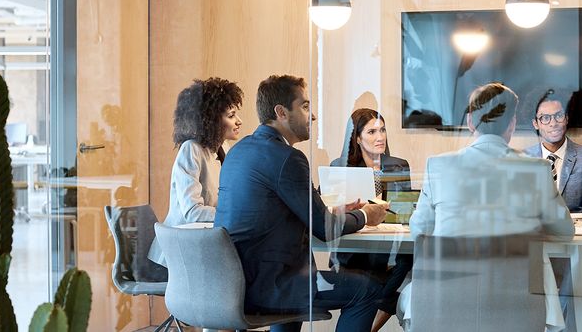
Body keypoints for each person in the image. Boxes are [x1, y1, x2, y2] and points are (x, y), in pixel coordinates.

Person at [215, 75, 389, 332]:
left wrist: (333, 211)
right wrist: (366, 215)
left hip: (235, 283)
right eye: (305, 106)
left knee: (302, 270)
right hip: (270, 286)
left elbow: (278, 212)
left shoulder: (239, 151)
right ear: (281, 112)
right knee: (368, 289)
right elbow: (324, 228)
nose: (313, 116)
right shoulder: (288, 158)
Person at [398, 82, 575, 327]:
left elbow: (419, 231)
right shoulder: (537, 168)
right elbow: (565, 231)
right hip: (516, 305)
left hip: (445, 303)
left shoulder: (437, 165)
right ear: (512, 123)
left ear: (470, 122)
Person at [330, 108, 412, 331]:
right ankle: (377, 311)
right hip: (355, 248)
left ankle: (372, 314)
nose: (380, 137)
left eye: (383, 130)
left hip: (389, 246)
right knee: (372, 278)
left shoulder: (398, 165)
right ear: (357, 138)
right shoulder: (341, 167)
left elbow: (404, 214)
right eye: (372, 131)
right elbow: (335, 215)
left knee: (408, 258)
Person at [148, 78, 243, 266]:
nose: (239, 121)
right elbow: (193, 212)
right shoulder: (191, 149)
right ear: (211, 119)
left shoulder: (224, 147)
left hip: (202, 243)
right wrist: (234, 215)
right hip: (177, 254)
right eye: (231, 115)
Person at [523, 90, 582, 213]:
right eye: (545, 118)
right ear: (536, 124)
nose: (553, 123)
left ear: (566, 118)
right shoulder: (522, 159)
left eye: (559, 116)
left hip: (575, 231)